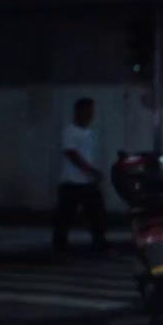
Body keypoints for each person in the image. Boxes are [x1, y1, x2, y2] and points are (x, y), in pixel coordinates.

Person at [52, 97, 109, 255]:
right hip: (71, 181)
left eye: (92, 111)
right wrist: (91, 170)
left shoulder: (89, 132)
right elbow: (72, 154)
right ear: (79, 111)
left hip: (87, 182)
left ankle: (100, 243)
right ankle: (59, 246)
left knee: (97, 214)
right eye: (88, 110)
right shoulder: (70, 131)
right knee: (65, 216)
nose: (91, 114)